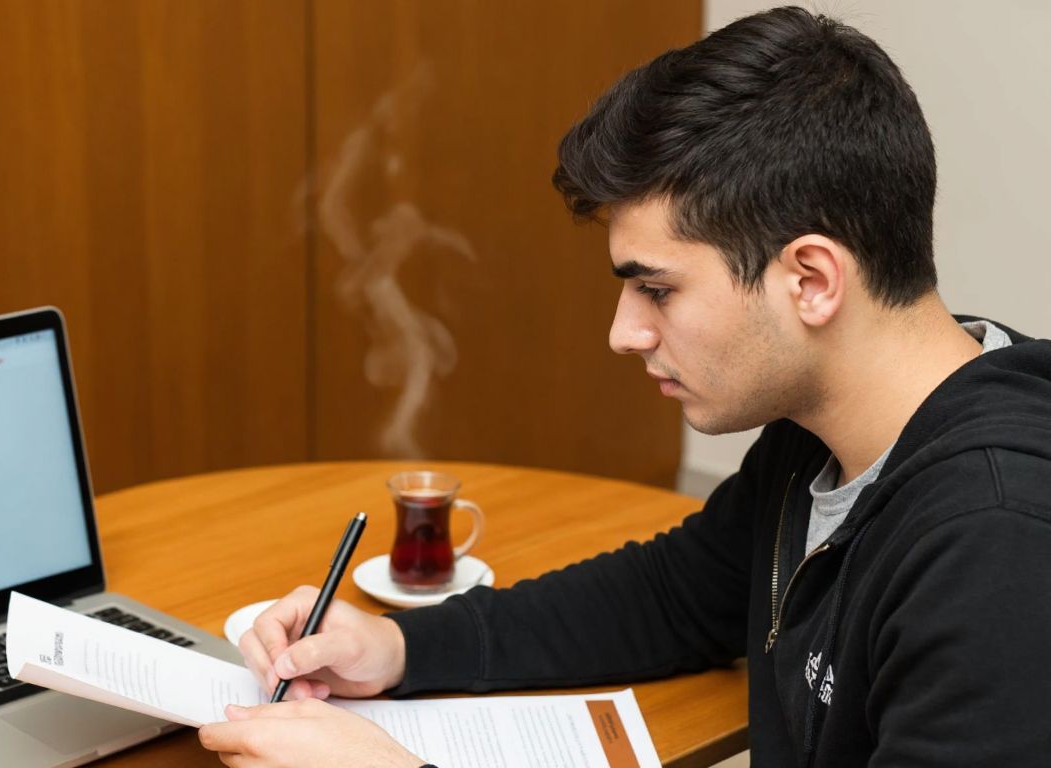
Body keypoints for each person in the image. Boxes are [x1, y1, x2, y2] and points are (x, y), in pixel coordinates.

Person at [198, 6, 1051, 766]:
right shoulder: (824, 429)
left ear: (812, 280)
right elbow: (673, 598)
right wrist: (398, 648)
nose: (623, 332)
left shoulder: (997, 549)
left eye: (658, 289)